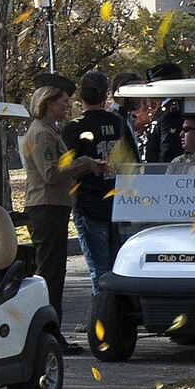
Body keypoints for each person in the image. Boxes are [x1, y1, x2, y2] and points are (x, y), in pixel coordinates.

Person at [22, 83, 104, 342]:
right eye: (63, 101)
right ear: (48, 103)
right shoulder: (41, 134)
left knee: (54, 272)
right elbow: (51, 173)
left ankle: (50, 333)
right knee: (50, 275)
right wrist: (85, 164)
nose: (68, 105)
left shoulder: (49, 131)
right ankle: (49, 335)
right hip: (45, 207)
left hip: (54, 207)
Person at [63, 71, 135, 294]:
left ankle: (101, 319)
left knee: (99, 269)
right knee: (120, 267)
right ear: (105, 96)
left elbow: (65, 169)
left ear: (80, 96)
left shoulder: (72, 128)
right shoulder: (119, 123)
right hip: (119, 202)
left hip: (89, 202)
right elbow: (132, 164)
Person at [140, 62, 187, 163]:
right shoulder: (165, 107)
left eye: (154, 83)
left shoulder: (172, 111)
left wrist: (161, 175)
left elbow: (168, 149)